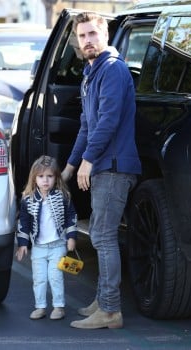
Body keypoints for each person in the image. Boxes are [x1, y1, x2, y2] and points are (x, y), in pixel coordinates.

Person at [62, 12, 141, 329]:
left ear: (105, 35)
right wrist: (69, 166)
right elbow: (86, 125)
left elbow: (108, 120)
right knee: (100, 235)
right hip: (103, 166)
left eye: (93, 34)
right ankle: (103, 300)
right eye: (82, 36)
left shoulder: (112, 69)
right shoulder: (90, 73)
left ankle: (110, 311)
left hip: (114, 167)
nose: (88, 41)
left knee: (104, 237)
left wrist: (89, 160)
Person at [16, 155, 77, 320]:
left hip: (58, 245)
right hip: (39, 247)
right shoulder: (28, 199)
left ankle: (58, 306)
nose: (45, 180)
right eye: (41, 176)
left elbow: (71, 216)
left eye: (49, 176)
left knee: (55, 276)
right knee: (39, 278)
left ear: (56, 177)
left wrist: (71, 237)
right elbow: (24, 222)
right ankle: (40, 306)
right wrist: (23, 244)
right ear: (34, 178)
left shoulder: (63, 195)